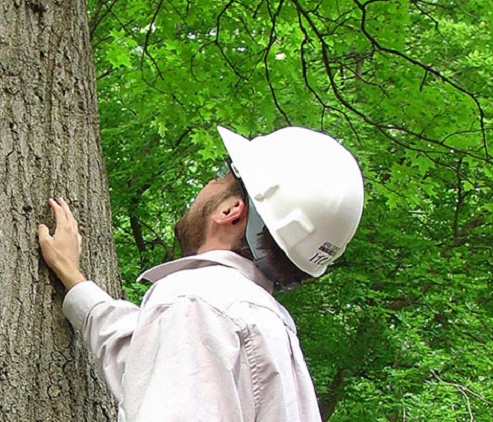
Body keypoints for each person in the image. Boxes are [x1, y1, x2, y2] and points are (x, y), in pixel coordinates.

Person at [37, 126, 364, 421]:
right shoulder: (263, 323)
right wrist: (72, 277)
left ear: (230, 211)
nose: (210, 183)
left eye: (222, 174)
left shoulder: (196, 301)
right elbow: (143, 363)